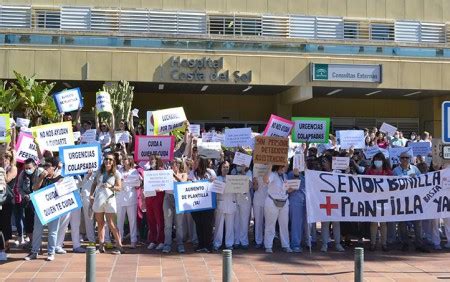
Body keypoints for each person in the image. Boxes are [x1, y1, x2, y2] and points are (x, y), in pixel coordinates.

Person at [24, 157, 63, 261]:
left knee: (52, 231)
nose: (45, 168)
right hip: (41, 208)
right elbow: (34, 189)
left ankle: (51, 252)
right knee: (37, 230)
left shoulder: (60, 178)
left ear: (54, 167)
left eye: (48, 166)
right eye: (44, 166)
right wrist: (41, 178)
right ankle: (34, 252)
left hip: (54, 208)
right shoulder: (42, 177)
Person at [392, 152, 429, 253]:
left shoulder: (415, 169)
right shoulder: (395, 171)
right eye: (402, 158)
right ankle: (405, 243)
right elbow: (392, 185)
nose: (404, 159)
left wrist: (416, 178)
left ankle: (419, 244)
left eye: (406, 158)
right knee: (402, 224)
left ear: (409, 159)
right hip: (402, 200)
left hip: (414, 199)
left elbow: (422, 182)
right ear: (399, 159)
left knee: (418, 223)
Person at [89, 153, 123, 254]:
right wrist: (91, 195)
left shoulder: (116, 173)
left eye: (110, 160)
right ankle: (101, 247)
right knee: (100, 224)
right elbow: (94, 184)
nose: (108, 161)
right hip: (99, 199)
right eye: (106, 159)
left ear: (113, 162)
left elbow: (119, 188)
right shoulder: (99, 172)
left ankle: (119, 246)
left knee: (112, 224)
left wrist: (110, 187)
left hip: (110, 199)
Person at [188, 156, 216, 252]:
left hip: (208, 203)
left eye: (197, 162)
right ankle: (201, 244)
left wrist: (213, 182)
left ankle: (208, 245)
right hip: (196, 204)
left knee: (208, 224)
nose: (195, 164)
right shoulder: (192, 173)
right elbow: (188, 186)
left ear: (202, 163)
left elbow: (216, 185)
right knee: (198, 223)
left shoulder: (211, 172)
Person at [366, 152, 392, 251]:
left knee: (383, 223)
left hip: (385, 200)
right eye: (376, 160)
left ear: (383, 161)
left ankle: (384, 244)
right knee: (373, 223)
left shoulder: (388, 172)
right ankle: (372, 243)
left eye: (380, 160)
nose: (378, 162)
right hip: (373, 199)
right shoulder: (370, 171)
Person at [263, 164, 292, 253]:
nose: (286, 167)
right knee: (270, 225)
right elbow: (266, 180)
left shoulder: (285, 176)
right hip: (272, 202)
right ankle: (268, 246)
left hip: (284, 202)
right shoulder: (272, 174)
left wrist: (293, 187)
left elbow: (287, 190)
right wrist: (269, 167)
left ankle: (286, 245)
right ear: (279, 166)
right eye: (284, 166)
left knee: (284, 225)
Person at [319, 155, 345, 252]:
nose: (323, 163)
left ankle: (338, 244)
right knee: (325, 223)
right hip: (324, 201)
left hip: (336, 201)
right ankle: (324, 244)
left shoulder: (337, 172)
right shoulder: (319, 173)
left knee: (336, 223)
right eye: (322, 161)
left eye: (325, 161)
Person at [162, 158, 187, 253]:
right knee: (168, 224)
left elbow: (183, 183)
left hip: (179, 199)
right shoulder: (167, 174)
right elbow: (161, 183)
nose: (174, 165)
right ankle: (167, 244)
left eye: (176, 163)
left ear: (180, 165)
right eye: (173, 163)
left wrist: (174, 175)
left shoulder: (183, 174)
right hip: (168, 198)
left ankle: (180, 244)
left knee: (179, 224)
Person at [117, 155, 141, 249]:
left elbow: (138, 183)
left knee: (132, 220)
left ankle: (133, 240)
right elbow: (116, 181)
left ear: (130, 160)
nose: (124, 161)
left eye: (125, 159)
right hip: (120, 198)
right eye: (123, 159)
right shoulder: (119, 171)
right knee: (119, 220)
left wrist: (126, 181)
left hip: (131, 198)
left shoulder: (134, 171)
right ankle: (119, 239)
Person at [213, 161, 236, 251]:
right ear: (220, 168)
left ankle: (229, 244)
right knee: (218, 226)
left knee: (230, 226)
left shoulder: (233, 179)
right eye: (224, 167)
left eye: (227, 167)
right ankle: (217, 243)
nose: (226, 169)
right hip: (221, 204)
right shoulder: (217, 179)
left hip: (231, 203)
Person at [146, 157, 165, 251]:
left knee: (159, 220)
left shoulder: (162, 171)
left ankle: (161, 241)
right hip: (149, 197)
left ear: (157, 160)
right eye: (150, 159)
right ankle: (153, 240)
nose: (150, 161)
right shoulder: (147, 171)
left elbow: (166, 184)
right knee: (151, 220)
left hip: (159, 197)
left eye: (152, 159)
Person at [288, 158, 307, 253]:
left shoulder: (304, 173)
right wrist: (296, 176)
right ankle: (295, 244)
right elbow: (290, 188)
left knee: (302, 224)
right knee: (296, 224)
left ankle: (300, 242)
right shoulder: (291, 174)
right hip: (295, 201)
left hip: (304, 201)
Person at [233, 164, 252, 249]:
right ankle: (236, 240)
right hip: (235, 197)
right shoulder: (233, 171)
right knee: (236, 220)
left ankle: (244, 241)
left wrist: (243, 172)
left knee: (244, 219)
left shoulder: (249, 172)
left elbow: (250, 185)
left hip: (245, 198)